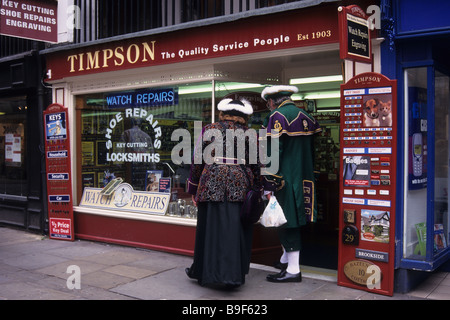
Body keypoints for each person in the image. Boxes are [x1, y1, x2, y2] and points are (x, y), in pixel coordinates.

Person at [185, 98, 262, 288]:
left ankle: (205, 273)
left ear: (222, 113)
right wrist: (259, 188)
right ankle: (234, 275)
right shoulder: (249, 134)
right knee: (235, 229)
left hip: (211, 181)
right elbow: (257, 165)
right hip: (240, 184)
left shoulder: (209, 129)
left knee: (209, 229)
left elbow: (197, 161)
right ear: (244, 116)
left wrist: (193, 187)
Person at [260, 85, 321, 283]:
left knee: (287, 222)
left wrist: (269, 181)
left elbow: (273, 152)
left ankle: (293, 270)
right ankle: (285, 259)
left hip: (284, 179)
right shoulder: (306, 116)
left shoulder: (277, 116)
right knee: (294, 218)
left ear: (271, 101)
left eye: (268, 102)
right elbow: (314, 150)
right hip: (304, 177)